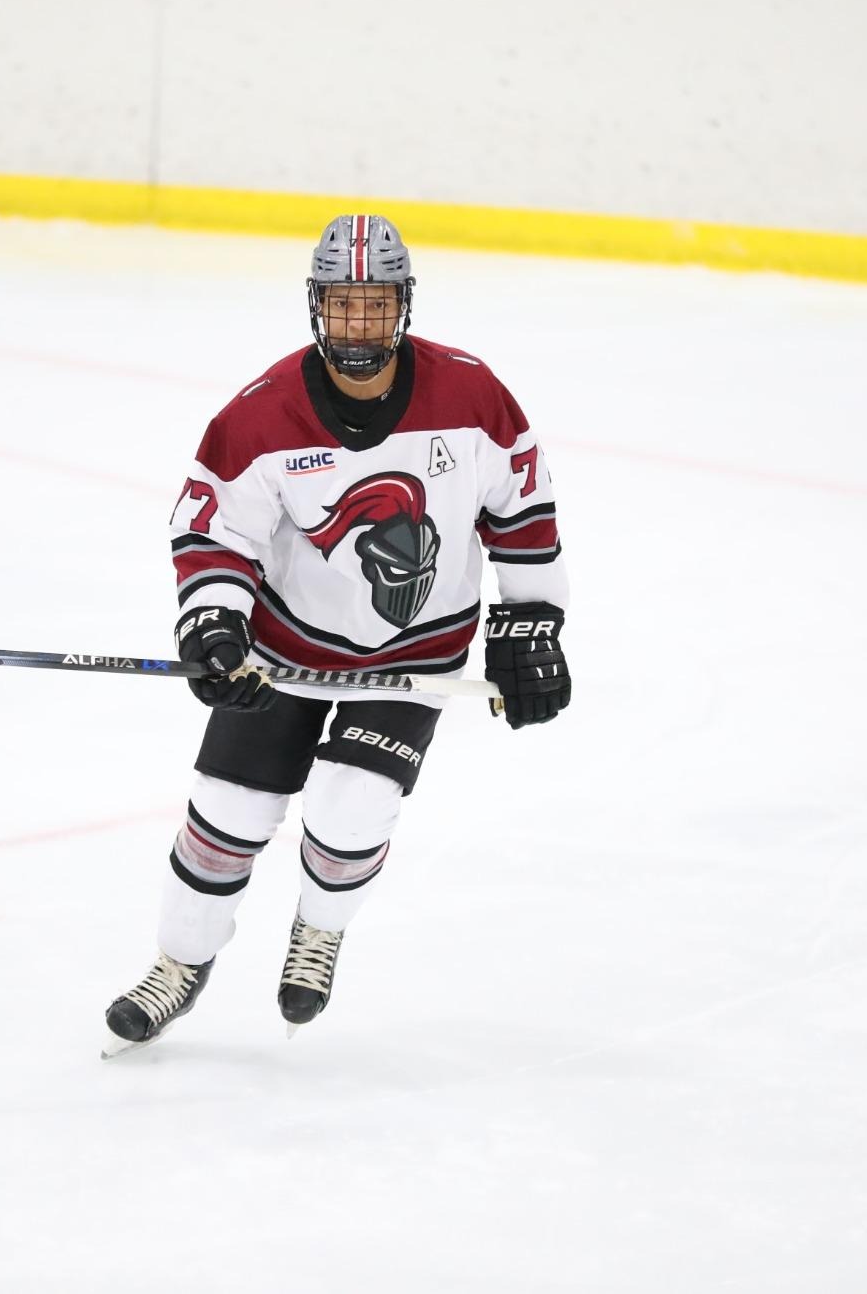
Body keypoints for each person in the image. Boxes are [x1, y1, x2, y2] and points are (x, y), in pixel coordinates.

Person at [103, 214, 572, 1053]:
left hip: (414, 658)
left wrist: (530, 620)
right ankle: (180, 962)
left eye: (377, 305)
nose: (361, 325)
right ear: (317, 306)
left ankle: (318, 931)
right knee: (226, 813)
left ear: (405, 306)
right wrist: (214, 621)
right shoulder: (262, 414)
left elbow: (522, 508)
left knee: (352, 805)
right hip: (286, 653)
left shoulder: (471, 394)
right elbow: (216, 533)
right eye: (344, 306)